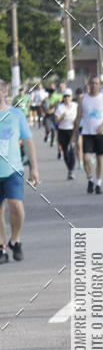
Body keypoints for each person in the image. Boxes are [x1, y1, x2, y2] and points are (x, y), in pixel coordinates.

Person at [0, 79, 40, 263]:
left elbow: (29, 141)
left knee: (16, 207)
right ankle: (2, 247)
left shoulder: (16, 115)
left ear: (4, 91)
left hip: (13, 169)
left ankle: (15, 240)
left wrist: (34, 169)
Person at [72, 75, 103, 194]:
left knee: (100, 159)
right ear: (89, 84)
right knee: (86, 159)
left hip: (101, 133)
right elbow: (78, 116)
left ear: (99, 85)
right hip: (87, 132)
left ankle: (98, 183)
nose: (94, 85)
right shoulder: (83, 99)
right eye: (92, 83)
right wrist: (74, 134)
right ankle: (90, 179)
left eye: (96, 83)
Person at [54, 88, 78, 179]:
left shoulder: (76, 106)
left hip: (73, 130)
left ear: (71, 97)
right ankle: (69, 169)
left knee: (72, 150)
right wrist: (62, 117)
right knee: (65, 152)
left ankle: (71, 171)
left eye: (68, 96)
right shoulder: (60, 108)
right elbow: (56, 122)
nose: (67, 98)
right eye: (65, 96)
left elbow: (80, 116)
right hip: (63, 131)